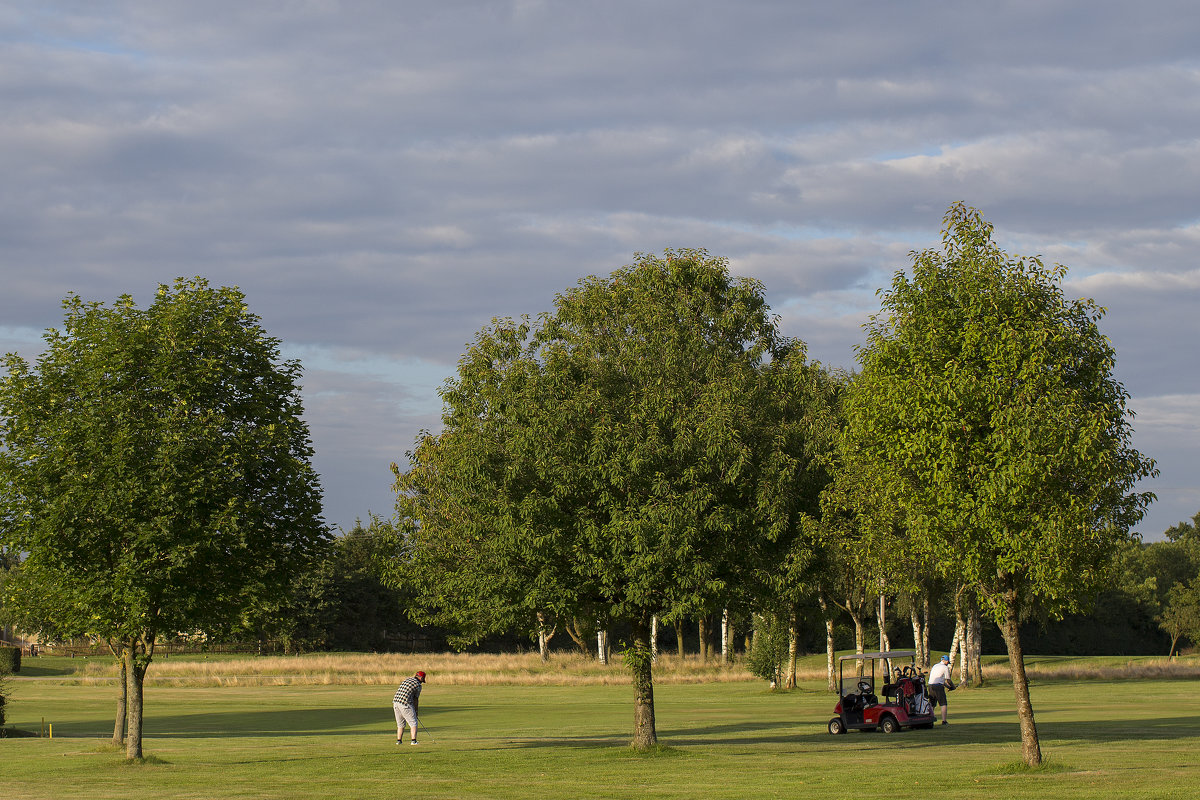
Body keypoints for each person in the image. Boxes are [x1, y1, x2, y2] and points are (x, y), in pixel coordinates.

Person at [393, 671, 426, 745]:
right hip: (405, 703)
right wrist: (416, 711)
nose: (422, 682)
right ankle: (413, 741)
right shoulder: (418, 685)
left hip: (396, 702)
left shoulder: (407, 679)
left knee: (400, 724)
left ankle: (399, 741)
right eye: (422, 680)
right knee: (413, 722)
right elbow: (415, 699)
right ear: (421, 678)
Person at [927, 654, 955, 724]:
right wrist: (953, 687)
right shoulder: (945, 667)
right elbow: (948, 680)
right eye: (948, 662)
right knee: (943, 703)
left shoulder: (935, 666)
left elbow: (940, 680)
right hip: (938, 687)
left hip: (930, 685)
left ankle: (930, 719)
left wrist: (948, 687)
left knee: (932, 704)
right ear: (946, 661)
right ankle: (944, 721)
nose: (947, 664)